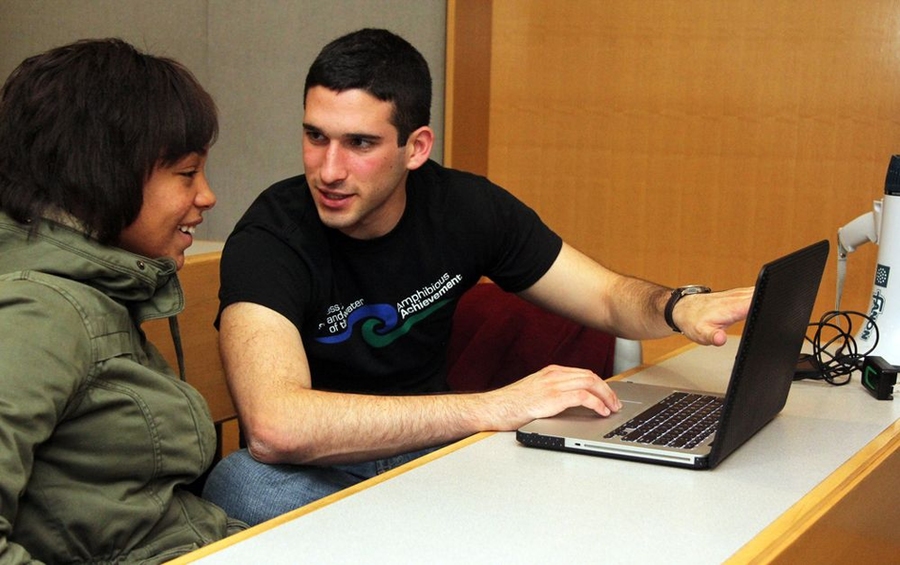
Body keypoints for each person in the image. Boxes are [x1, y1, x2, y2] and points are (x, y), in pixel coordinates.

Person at [202, 28, 754, 525]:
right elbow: (277, 428)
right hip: (316, 466)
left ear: (415, 147)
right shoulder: (271, 238)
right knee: (240, 483)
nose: (328, 170)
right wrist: (492, 406)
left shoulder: (465, 208)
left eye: (360, 144)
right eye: (316, 136)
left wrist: (678, 305)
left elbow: (607, 297)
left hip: (431, 449)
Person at [0, 39, 245, 563]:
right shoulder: (38, 313)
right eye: (186, 173)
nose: (207, 196)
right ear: (101, 174)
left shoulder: (94, 289)